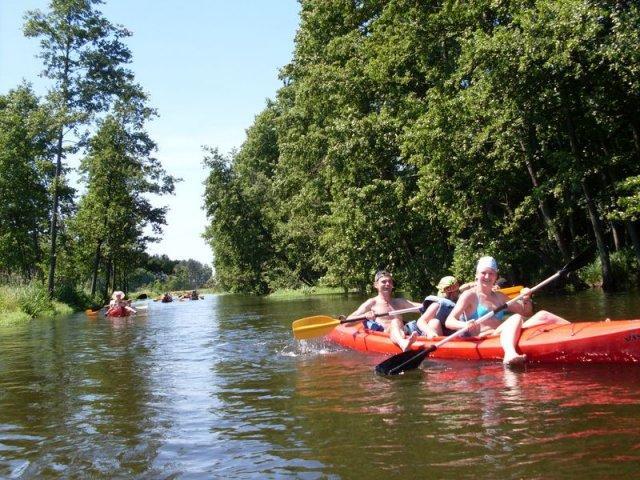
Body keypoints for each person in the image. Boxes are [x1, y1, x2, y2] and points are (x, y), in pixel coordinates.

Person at [446, 256, 569, 366]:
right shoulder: (469, 295)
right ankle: (509, 354)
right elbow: (449, 321)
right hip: (486, 338)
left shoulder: (500, 296)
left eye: (491, 273)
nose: (487, 276)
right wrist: (465, 325)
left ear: (496, 276)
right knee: (515, 318)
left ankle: (574, 331)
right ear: (477, 275)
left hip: (503, 333)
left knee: (543, 315)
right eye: (484, 273)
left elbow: (526, 312)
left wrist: (526, 299)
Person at [346, 270, 423, 351]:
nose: (387, 284)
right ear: (376, 285)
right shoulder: (372, 303)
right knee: (395, 321)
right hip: (385, 334)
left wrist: (435, 303)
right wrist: (364, 316)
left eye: (390, 282)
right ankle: (403, 344)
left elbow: (423, 307)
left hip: (403, 332)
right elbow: (347, 322)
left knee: (398, 322)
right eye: (384, 282)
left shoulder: (400, 302)